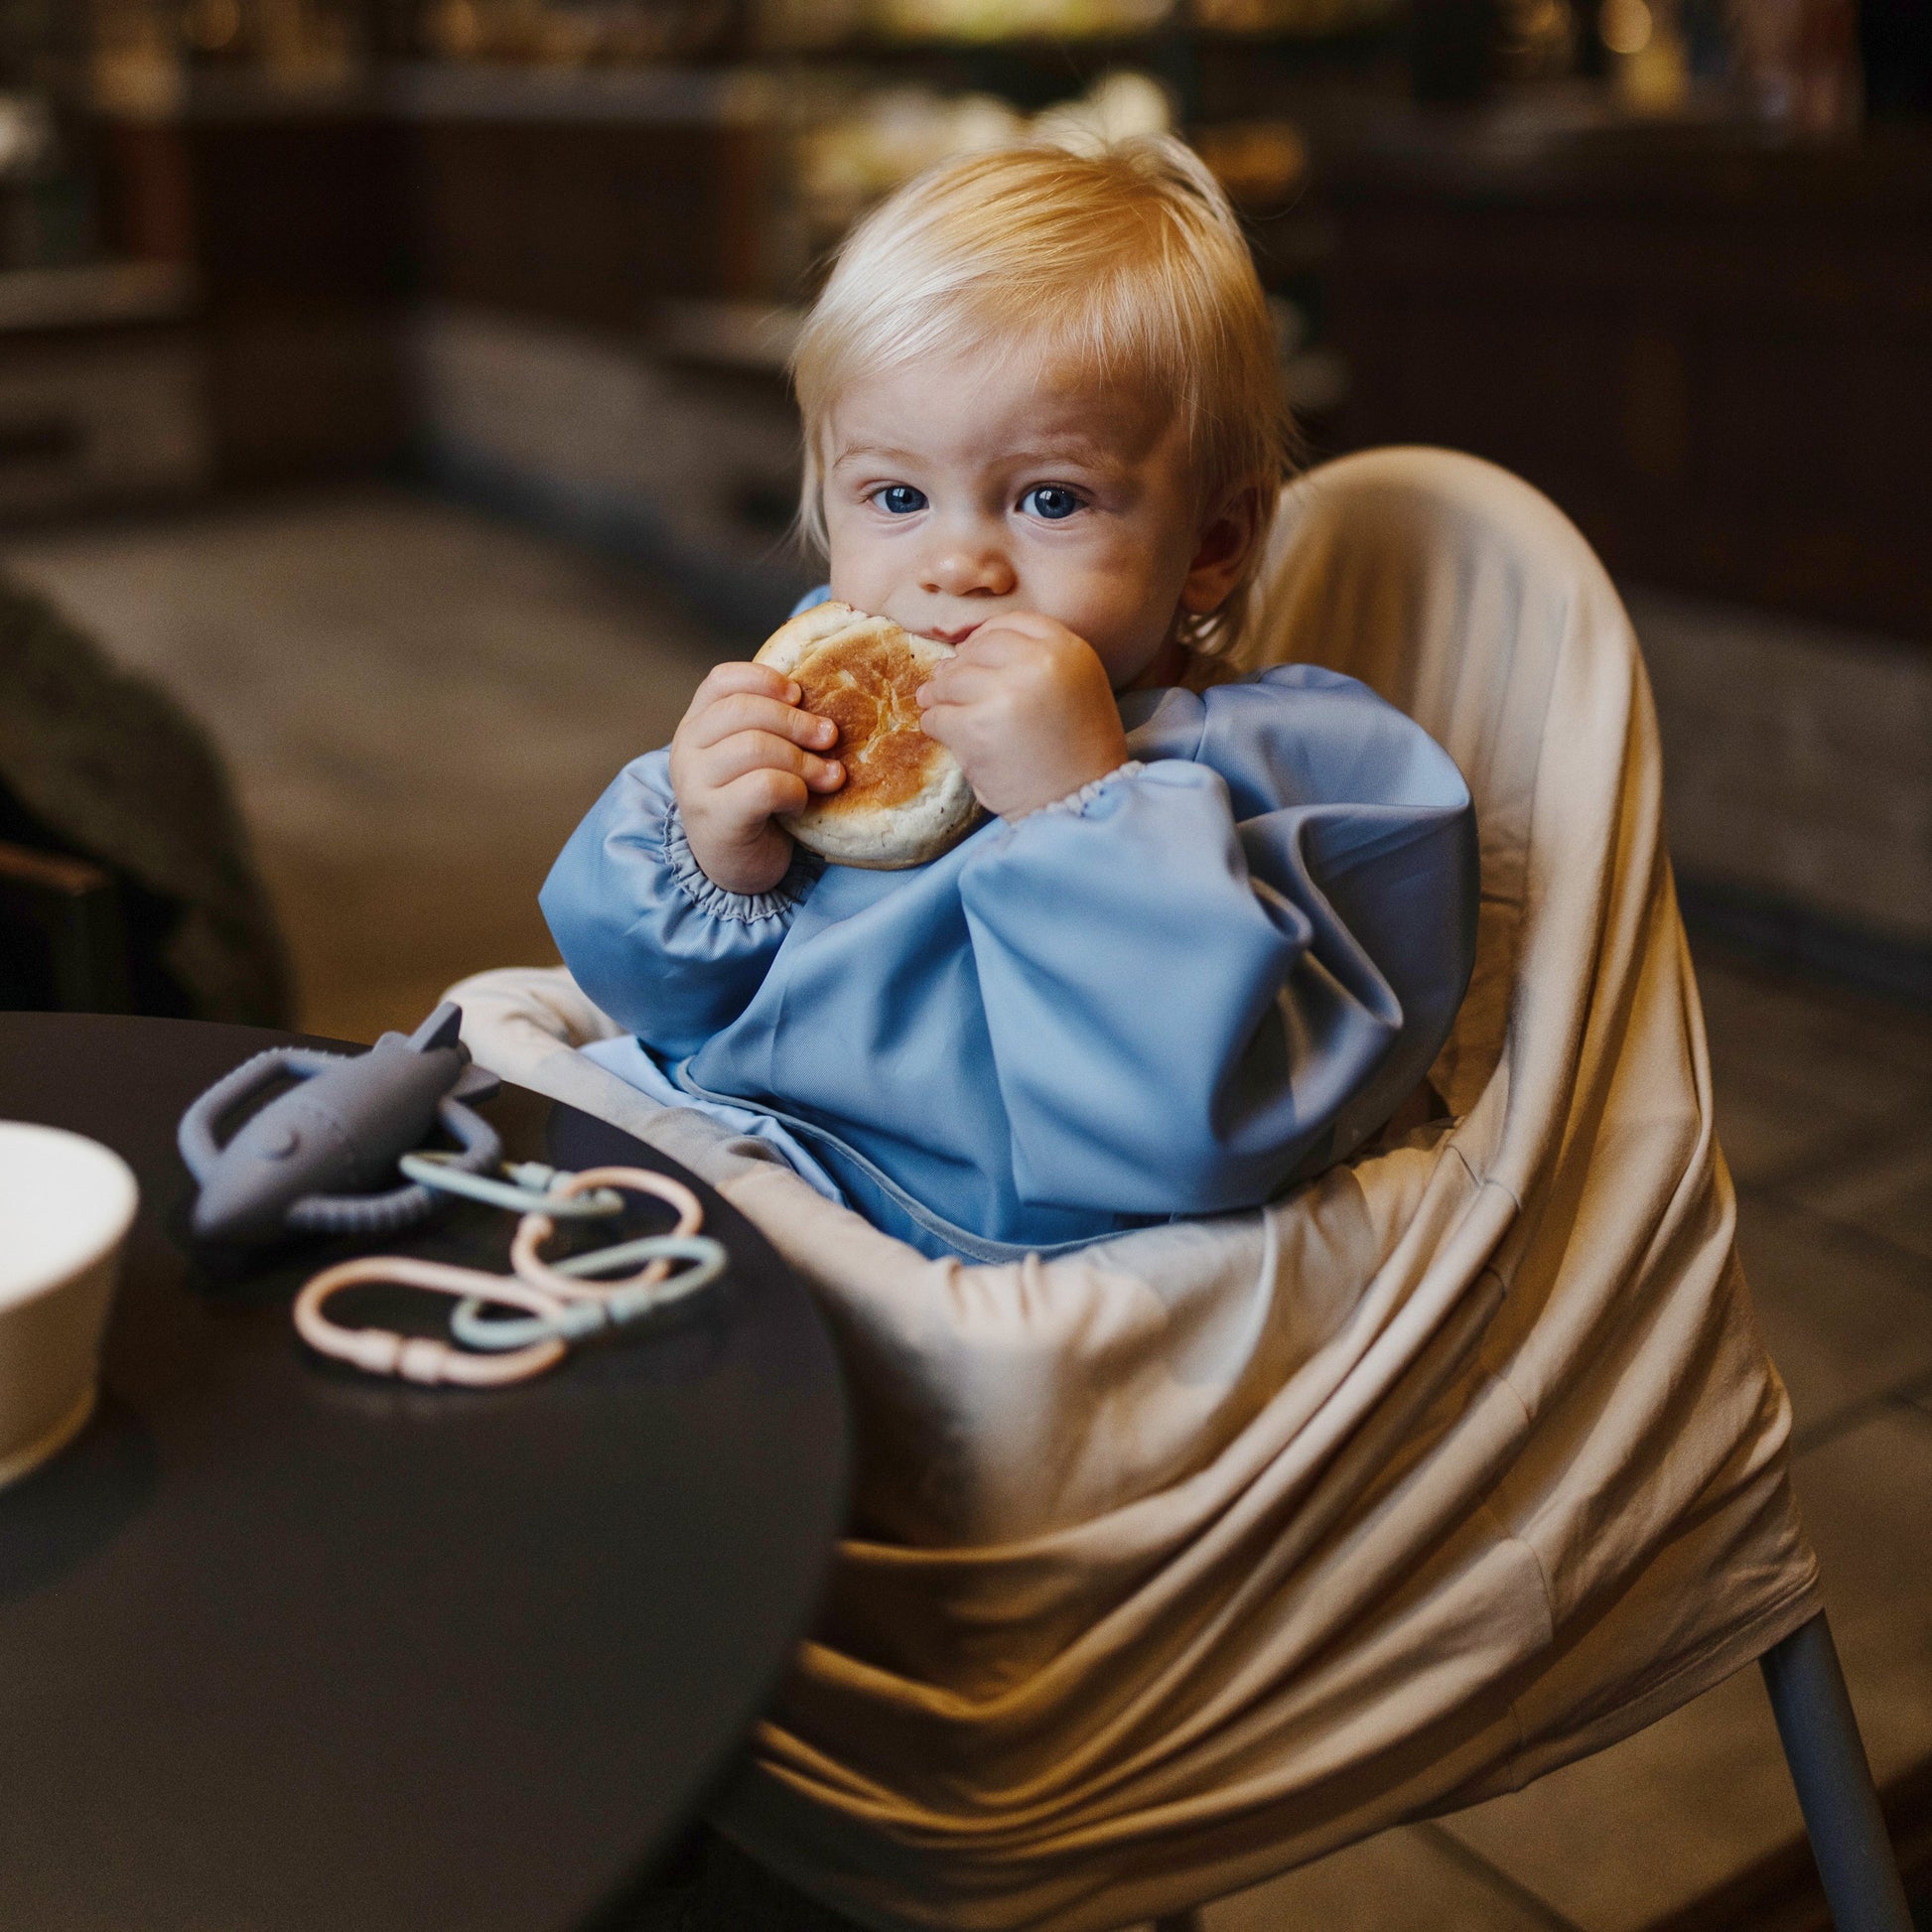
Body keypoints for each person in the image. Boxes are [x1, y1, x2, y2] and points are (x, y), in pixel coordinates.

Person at [541, 136, 1478, 1261]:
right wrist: (708, 862)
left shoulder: (1309, 772)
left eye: (1047, 498)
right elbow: (647, 1001)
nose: (956, 565)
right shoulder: (836, 723)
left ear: (1213, 542)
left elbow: (1215, 1130)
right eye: (895, 493)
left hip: (957, 1260)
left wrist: (1081, 812)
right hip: (727, 1157)